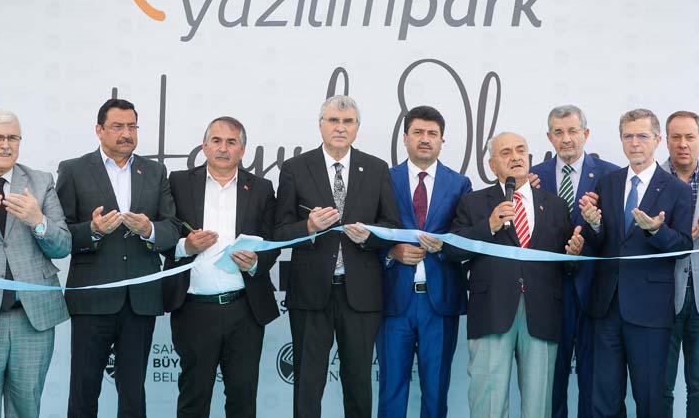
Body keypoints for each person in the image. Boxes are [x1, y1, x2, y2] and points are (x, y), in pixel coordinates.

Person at [274, 95, 401, 418]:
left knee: (358, 382)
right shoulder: (295, 168)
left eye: (347, 122)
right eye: (333, 121)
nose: (340, 128)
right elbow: (279, 231)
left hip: (361, 294)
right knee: (308, 382)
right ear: (320, 125)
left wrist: (370, 236)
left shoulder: (376, 168)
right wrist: (308, 226)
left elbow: (392, 226)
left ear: (357, 127)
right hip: (310, 292)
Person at [56, 98, 180, 418]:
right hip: (92, 297)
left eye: (132, 126)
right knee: (84, 389)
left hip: (140, 299)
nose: (126, 133)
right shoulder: (74, 170)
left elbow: (172, 228)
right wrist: (93, 230)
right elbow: (60, 234)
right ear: (99, 130)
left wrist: (150, 229)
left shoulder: (154, 171)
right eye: (118, 126)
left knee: (133, 392)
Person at [449, 131, 584, 418]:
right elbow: (453, 250)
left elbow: (566, 265)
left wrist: (573, 255)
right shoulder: (473, 203)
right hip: (492, 311)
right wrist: (489, 226)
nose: (515, 157)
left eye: (520, 150)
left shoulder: (556, 204)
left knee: (538, 405)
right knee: (488, 403)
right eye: (506, 152)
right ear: (492, 165)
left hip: (542, 313)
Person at [162, 117, 279, 418]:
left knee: (242, 399)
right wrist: (185, 247)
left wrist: (256, 262)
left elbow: (272, 243)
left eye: (231, 142)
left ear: (242, 150)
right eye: (216, 141)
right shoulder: (178, 183)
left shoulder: (262, 188)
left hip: (244, 310)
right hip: (194, 310)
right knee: (193, 399)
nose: (223, 148)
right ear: (204, 146)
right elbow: (162, 235)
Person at [579, 108, 693, 418]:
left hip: (650, 311)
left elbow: (684, 246)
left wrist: (656, 230)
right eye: (628, 136)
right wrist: (594, 225)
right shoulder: (608, 183)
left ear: (657, 140)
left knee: (650, 399)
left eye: (642, 136)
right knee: (604, 398)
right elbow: (598, 243)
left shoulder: (677, 190)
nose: (634, 143)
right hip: (606, 307)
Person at [0, 109, 71, 417]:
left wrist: (38, 221)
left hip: (32, 320)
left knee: (27, 408)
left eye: (13, 137)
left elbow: (63, 246)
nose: (5, 144)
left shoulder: (41, 182)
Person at [377, 106, 472, 418]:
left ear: (442, 140)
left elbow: (466, 237)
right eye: (418, 132)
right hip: (394, 300)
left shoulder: (459, 184)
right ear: (405, 137)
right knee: (391, 389)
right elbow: (367, 233)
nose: (425, 139)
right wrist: (391, 253)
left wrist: (443, 247)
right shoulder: (383, 179)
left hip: (439, 301)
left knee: (436, 390)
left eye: (432, 133)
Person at [530, 105, 619, 418]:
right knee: (551, 378)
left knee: (593, 378)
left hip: (594, 290)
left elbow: (616, 234)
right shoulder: (534, 177)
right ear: (549, 137)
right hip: (548, 291)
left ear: (586, 133)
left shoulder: (610, 175)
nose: (566, 138)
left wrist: (594, 225)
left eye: (572, 131)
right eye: (558, 132)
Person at [661, 111, 699, 418]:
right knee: (660, 387)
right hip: (660, 299)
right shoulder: (651, 181)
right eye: (676, 137)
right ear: (666, 141)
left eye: (689, 137)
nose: (683, 144)